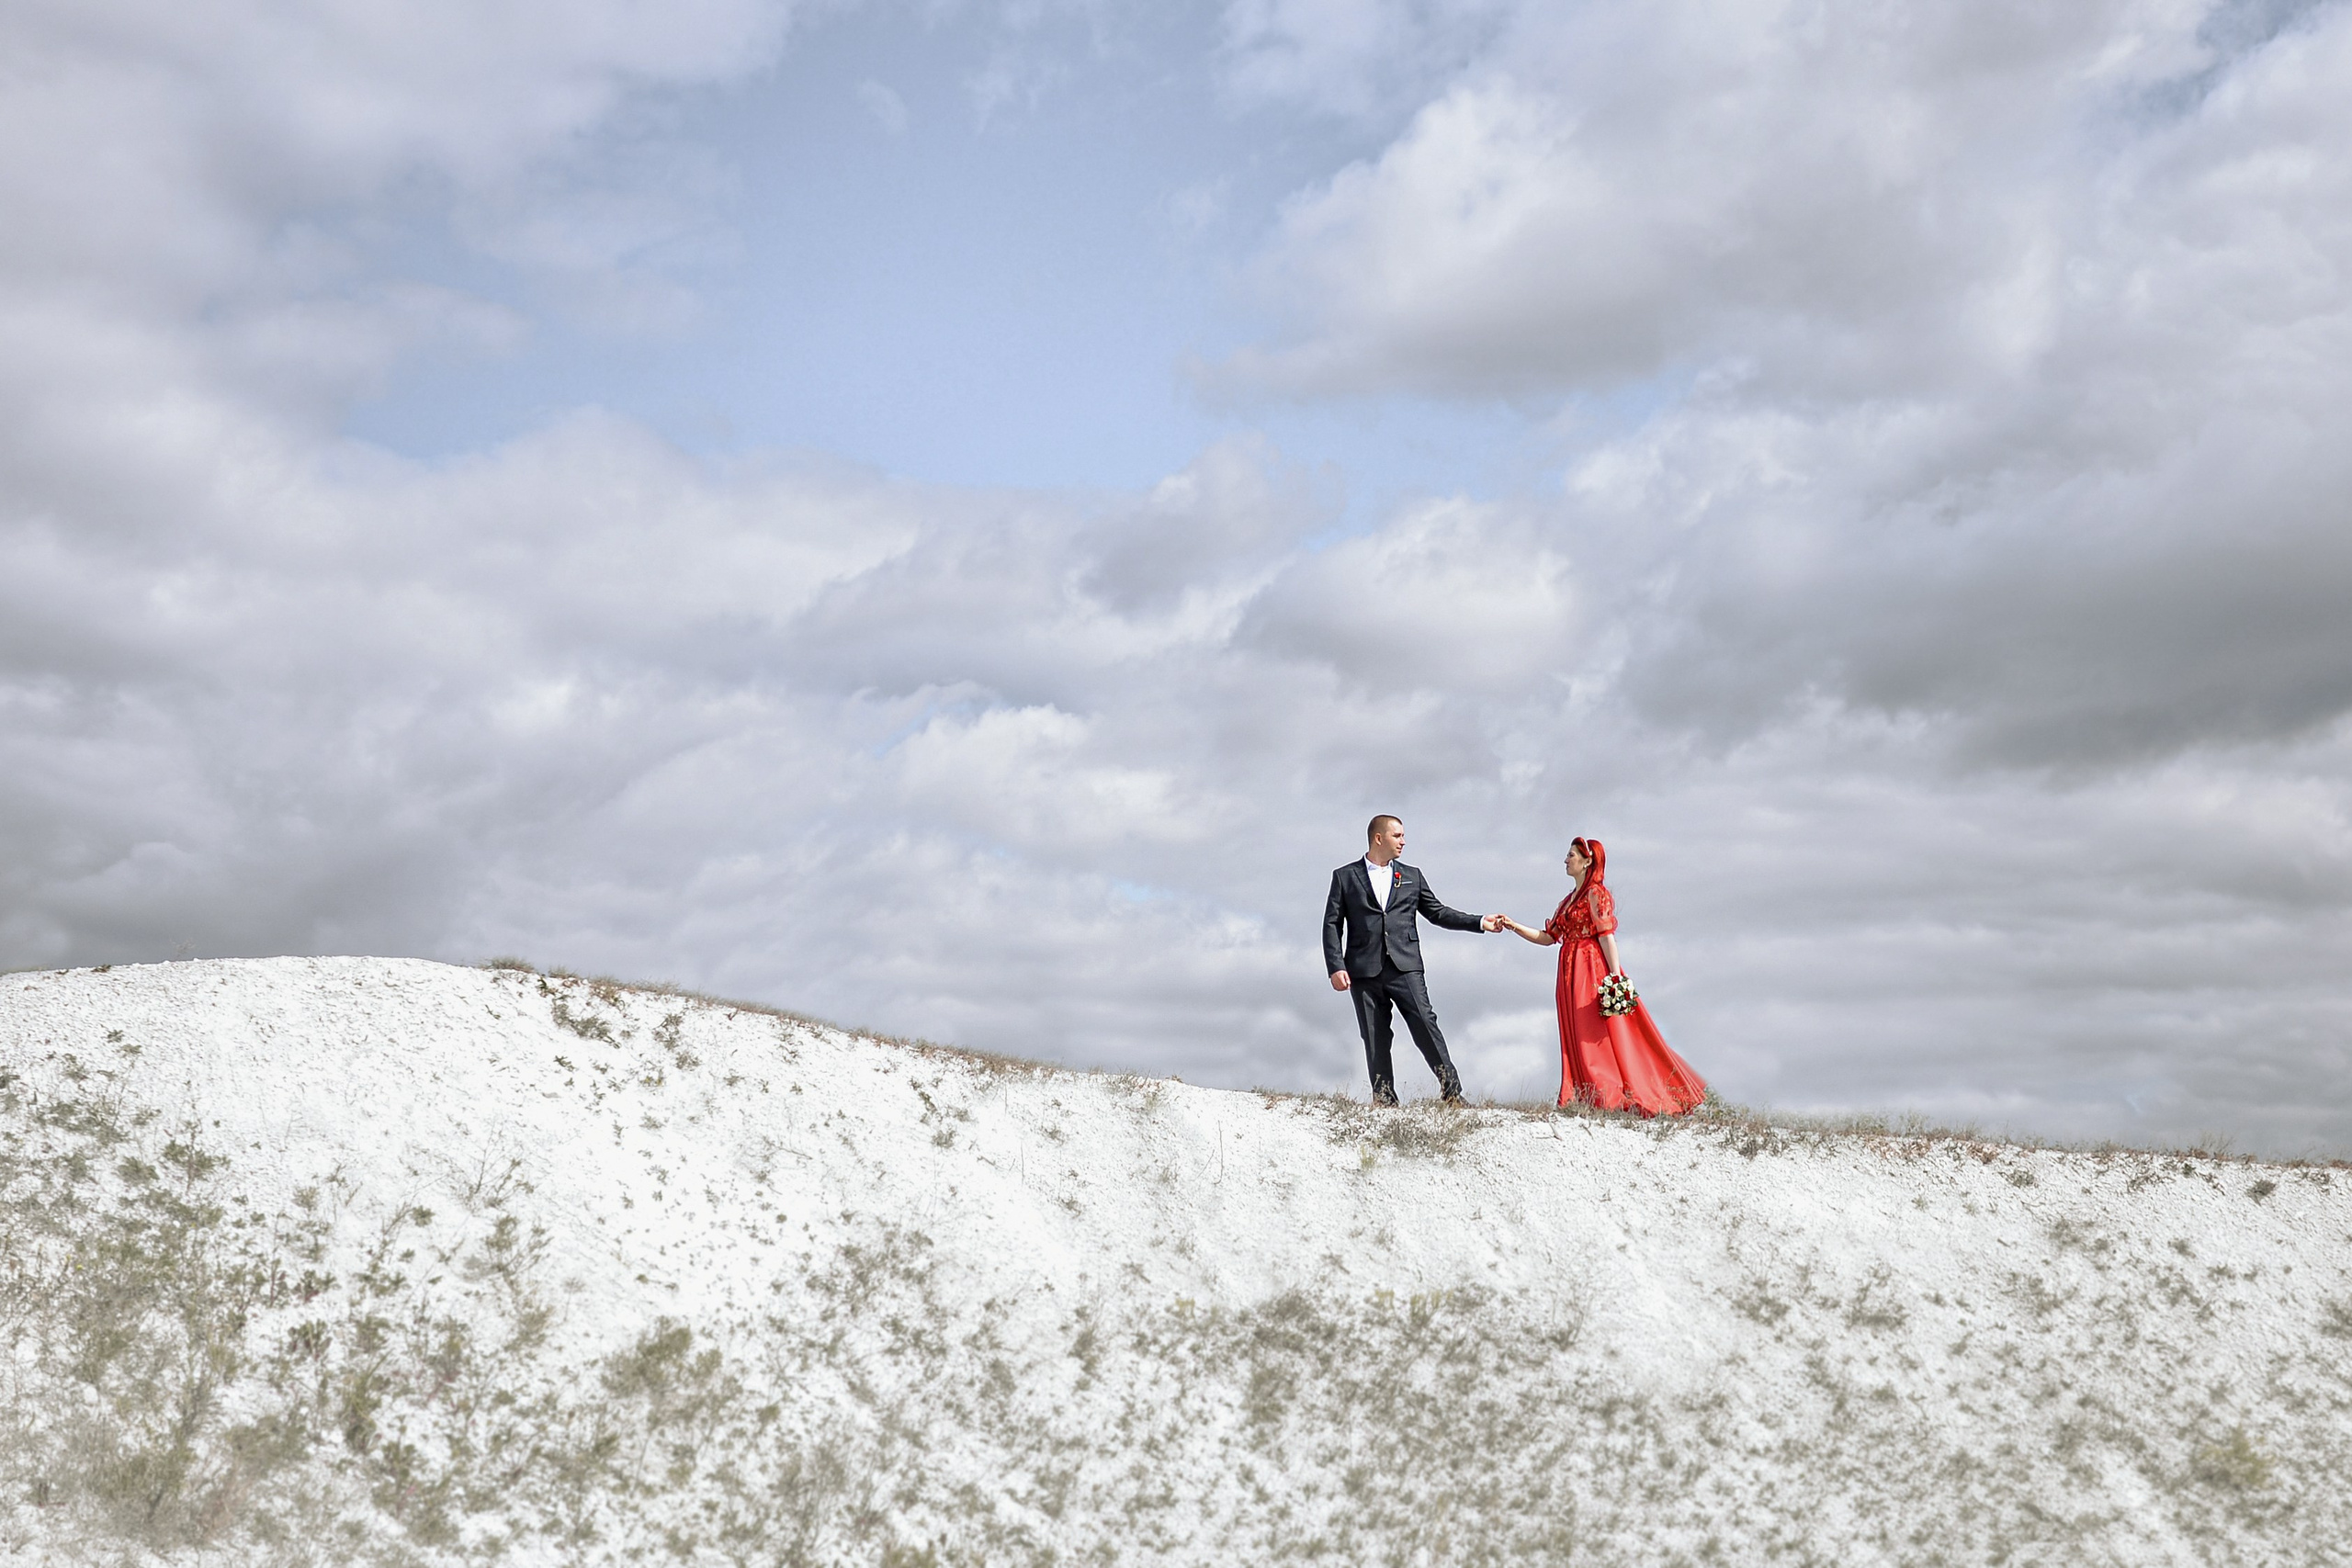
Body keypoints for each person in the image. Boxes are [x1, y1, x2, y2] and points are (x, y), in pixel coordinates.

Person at [1498, 837, 1705, 1115]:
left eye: (1571, 855)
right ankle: (1585, 1094)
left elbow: (1607, 936)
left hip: (1589, 967)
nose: (1566, 860)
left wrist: (1616, 977)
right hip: (1569, 969)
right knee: (1575, 1027)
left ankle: (1607, 1095)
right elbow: (1549, 937)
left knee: (1592, 1030)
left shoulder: (1596, 894)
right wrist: (1513, 926)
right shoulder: (1567, 901)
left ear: (1587, 861)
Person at [1323, 815, 1504, 1106]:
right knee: (1374, 1036)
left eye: (1403, 836)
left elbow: (1439, 913)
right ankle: (1384, 1100)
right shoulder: (1344, 876)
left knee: (1425, 1024)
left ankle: (1452, 1093)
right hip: (1362, 970)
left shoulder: (1412, 875)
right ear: (1379, 838)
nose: (1403, 841)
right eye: (1397, 836)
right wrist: (1336, 966)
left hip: (1405, 967)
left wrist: (1480, 921)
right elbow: (1332, 924)